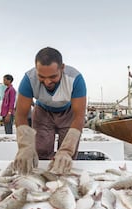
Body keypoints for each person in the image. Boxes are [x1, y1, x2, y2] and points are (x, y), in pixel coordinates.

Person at [13, 47, 86, 175]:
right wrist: (25, 146)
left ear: (62, 68)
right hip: (42, 112)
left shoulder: (75, 79)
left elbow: (79, 117)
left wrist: (67, 150)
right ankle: (42, 179)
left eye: (53, 76)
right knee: (41, 150)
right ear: (36, 69)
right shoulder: (28, 79)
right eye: (41, 76)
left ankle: (63, 180)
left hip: (69, 113)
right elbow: (20, 115)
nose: (47, 82)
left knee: (66, 157)